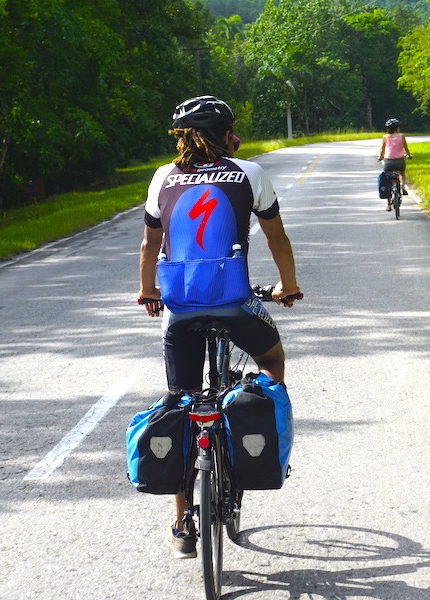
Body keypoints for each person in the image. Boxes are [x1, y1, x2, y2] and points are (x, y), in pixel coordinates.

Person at [137, 95, 300, 557]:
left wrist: (149, 292)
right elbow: (276, 237)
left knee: (180, 401)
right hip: (235, 304)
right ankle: (251, 444)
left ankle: (182, 526)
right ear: (226, 133)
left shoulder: (162, 177)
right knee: (271, 359)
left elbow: (150, 246)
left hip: (179, 310)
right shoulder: (249, 173)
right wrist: (288, 287)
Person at [377, 117, 411, 210]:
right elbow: (406, 148)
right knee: (402, 173)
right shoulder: (402, 136)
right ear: (397, 128)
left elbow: (382, 150)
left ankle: (388, 204)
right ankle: (403, 188)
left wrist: (380, 157)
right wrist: (409, 155)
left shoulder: (385, 137)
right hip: (400, 161)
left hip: (388, 162)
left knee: (387, 180)